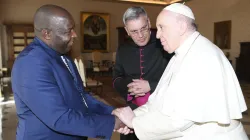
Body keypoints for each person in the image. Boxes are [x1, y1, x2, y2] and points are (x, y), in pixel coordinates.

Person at [112, 3, 248, 140]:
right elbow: (157, 101)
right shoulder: (181, 54)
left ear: (181, 27)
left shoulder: (203, 56)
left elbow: (179, 120)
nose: (157, 35)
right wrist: (133, 116)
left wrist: (134, 122)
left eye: (161, 28)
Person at [11, 4, 130, 140]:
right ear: (47, 34)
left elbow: (81, 97)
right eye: (68, 31)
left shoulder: (62, 55)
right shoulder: (31, 63)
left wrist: (111, 111)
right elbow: (59, 118)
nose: (74, 35)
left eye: (73, 28)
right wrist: (111, 123)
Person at [112, 6, 173, 140]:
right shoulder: (123, 49)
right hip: (133, 112)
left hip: (160, 112)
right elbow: (116, 78)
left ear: (149, 23)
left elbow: (179, 78)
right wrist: (129, 87)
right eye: (134, 31)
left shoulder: (165, 43)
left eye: (143, 28)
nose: (140, 36)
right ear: (127, 30)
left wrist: (151, 85)